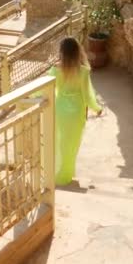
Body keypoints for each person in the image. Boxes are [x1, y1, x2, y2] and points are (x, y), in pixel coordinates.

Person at [49, 37, 102, 185]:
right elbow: (88, 95)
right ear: (77, 51)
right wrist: (96, 108)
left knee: (59, 143)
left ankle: (57, 173)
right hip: (77, 112)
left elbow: (46, 89)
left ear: (62, 52)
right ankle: (67, 174)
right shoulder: (84, 71)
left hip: (60, 110)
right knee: (72, 144)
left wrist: (30, 95)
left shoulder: (55, 69)